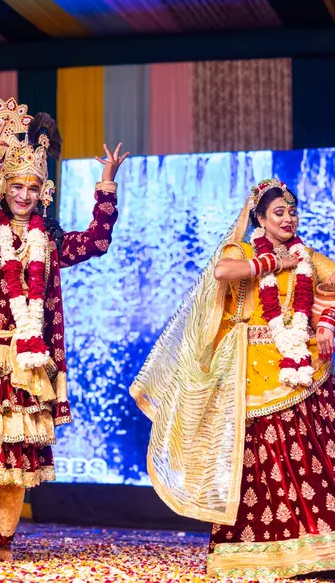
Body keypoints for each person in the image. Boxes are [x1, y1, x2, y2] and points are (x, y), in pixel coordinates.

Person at [0, 96, 128, 564]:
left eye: (33, 186)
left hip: (25, 362)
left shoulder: (51, 241)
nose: (23, 193)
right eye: (16, 184)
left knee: (14, 462)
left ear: (45, 191)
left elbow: (98, 241)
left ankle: (3, 538)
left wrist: (106, 184)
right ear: (4, 186)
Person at [130, 178, 335, 579]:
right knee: (257, 460)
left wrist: (327, 324)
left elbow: (333, 289)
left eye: (292, 211)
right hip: (249, 370)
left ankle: (318, 549)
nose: (288, 218)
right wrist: (274, 263)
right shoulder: (242, 251)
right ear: (259, 218)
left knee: (312, 455)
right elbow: (222, 272)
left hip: (298, 364)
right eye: (278, 212)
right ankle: (256, 554)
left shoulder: (309, 257)